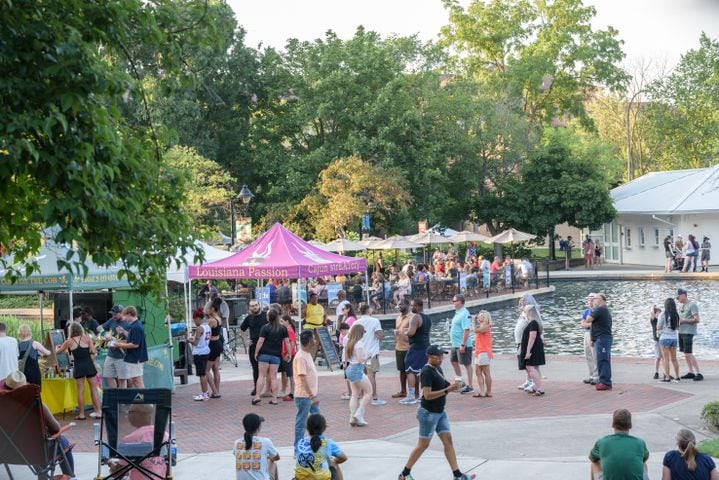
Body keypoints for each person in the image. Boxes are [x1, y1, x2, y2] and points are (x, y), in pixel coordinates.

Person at [397, 345, 476, 480]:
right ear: (429, 357)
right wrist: (448, 390)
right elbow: (427, 395)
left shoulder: (437, 369)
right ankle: (404, 474)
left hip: (440, 412)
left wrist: (458, 387)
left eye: (442, 356)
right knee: (423, 445)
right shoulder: (426, 371)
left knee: (448, 442)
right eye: (438, 357)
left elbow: (446, 385)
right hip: (428, 413)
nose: (441, 359)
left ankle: (457, 475)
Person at [2, 371, 77, 479]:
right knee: (60, 441)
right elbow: (55, 429)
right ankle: (71, 477)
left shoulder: (2, 405)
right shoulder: (35, 403)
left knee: (38, 444)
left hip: (7, 451)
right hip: (35, 451)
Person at [55, 322, 102, 419]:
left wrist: (57, 348)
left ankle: (81, 414)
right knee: (93, 389)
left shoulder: (69, 341)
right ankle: (98, 412)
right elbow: (93, 351)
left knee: (80, 391)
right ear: (81, 329)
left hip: (78, 366)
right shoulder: (87, 338)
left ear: (71, 330)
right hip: (89, 365)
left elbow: (58, 352)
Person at [110, 403, 169, 480]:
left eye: (130, 412)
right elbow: (168, 465)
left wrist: (111, 464)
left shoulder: (130, 440)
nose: (128, 416)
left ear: (140, 414)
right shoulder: (165, 435)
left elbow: (119, 473)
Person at [589, 409, 649, 480]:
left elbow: (592, 458)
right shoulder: (640, 443)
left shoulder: (602, 442)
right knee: (643, 463)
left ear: (613, 424)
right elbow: (645, 458)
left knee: (594, 464)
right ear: (630, 425)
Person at [252, 309, 290, 406]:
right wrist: (289, 353)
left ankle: (257, 396)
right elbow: (287, 342)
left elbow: (260, 342)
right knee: (273, 378)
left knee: (261, 376)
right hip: (276, 356)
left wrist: (256, 352)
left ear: (269, 317)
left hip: (264, 354)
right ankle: (274, 399)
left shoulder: (265, 328)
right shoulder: (282, 328)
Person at [295, 413, 347, 480]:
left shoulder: (300, 443)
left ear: (307, 427)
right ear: (325, 427)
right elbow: (344, 458)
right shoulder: (328, 443)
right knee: (334, 463)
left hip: (301, 478)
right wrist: (333, 461)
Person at [400, 299, 430, 405]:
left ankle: (411, 395)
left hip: (416, 347)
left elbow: (411, 333)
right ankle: (423, 394)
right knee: (422, 370)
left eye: (412, 305)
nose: (411, 307)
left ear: (417, 306)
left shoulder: (415, 317)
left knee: (410, 369)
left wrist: (405, 331)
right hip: (426, 346)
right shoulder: (427, 318)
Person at [293, 330, 320, 450]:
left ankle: (316, 443)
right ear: (309, 342)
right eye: (313, 339)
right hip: (304, 396)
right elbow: (302, 378)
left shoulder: (307, 354)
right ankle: (298, 449)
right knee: (301, 424)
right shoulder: (301, 357)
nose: (315, 341)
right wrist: (311, 396)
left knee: (318, 419)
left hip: (310, 395)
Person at [354, 303, 386, 405]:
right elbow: (379, 336)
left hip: (359, 353)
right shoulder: (375, 321)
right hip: (371, 353)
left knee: (361, 375)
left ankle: (363, 395)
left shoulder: (356, 322)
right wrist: (381, 334)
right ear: (368, 311)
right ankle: (374, 397)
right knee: (371, 375)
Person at [581, 293, 613, 391]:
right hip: (601, 338)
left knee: (603, 360)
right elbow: (588, 324)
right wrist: (593, 338)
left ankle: (605, 382)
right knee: (602, 360)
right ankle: (604, 381)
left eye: (596, 298)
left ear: (602, 300)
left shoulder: (601, 309)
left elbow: (588, 319)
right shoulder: (603, 310)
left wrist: (591, 313)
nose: (594, 300)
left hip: (603, 338)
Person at [234, 413, 280, 480]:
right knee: (273, 463)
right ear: (259, 427)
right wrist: (267, 458)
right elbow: (276, 457)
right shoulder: (265, 442)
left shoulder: (237, 443)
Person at [343, 324, 372, 426]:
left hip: (350, 368)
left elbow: (346, 356)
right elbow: (361, 359)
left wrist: (345, 365)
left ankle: (352, 417)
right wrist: (368, 355)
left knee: (355, 394)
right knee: (369, 392)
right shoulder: (359, 344)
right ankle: (359, 414)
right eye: (363, 333)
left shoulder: (349, 342)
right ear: (360, 333)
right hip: (357, 369)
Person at [113, 306, 148, 388]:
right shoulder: (135, 325)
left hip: (136, 358)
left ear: (129, 314)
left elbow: (135, 344)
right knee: (136, 380)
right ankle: (143, 398)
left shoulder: (136, 327)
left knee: (137, 380)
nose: (125, 318)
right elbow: (131, 341)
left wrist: (119, 344)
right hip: (135, 357)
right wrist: (119, 342)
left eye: (125, 316)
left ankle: (144, 399)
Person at [240, 301, 268, 396]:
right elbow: (242, 330)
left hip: (266, 346)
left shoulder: (266, 316)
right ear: (249, 308)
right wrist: (246, 340)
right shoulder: (249, 318)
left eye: (256, 305)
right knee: (255, 369)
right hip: (253, 346)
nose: (254, 307)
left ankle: (269, 389)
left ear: (259, 305)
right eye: (252, 306)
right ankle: (257, 388)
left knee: (268, 369)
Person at [448, 295, 474, 394]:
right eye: (453, 301)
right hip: (455, 344)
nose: (453, 303)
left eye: (455, 301)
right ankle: (460, 383)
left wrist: (463, 344)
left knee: (467, 364)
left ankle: (470, 386)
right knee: (453, 361)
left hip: (462, 344)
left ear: (461, 302)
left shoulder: (464, 313)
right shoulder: (457, 313)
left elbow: (466, 330)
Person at [677, 288, 703, 381]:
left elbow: (697, 319)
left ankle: (698, 373)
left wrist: (683, 321)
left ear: (683, 295)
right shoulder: (681, 306)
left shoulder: (692, 305)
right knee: (685, 353)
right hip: (681, 331)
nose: (677, 298)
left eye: (678, 296)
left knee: (688, 353)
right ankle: (690, 372)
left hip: (688, 331)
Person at [519, 304, 546, 396]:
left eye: (525, 312)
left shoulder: (533, 323)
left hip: (533, 349)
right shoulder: (535, 322)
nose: (524, 314)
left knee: (530, 367)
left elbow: (532, 337)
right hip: (536, 348)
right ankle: (537, 386)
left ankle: (539, 387)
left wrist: (527, 351)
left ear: (529, 312)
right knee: (535, 367)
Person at [101, 304, 130, 388]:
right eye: (112, 314)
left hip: (122, 356)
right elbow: (100, 328)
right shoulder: (112, 320)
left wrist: (117, 340)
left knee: (122, 379)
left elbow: (131, 340)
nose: (113, 316)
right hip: (110, 355)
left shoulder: (127, 324)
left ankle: (122, 399)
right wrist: (105, 334)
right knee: (108, 376)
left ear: (121, 313)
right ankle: (115, 396)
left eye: (115, 314)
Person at [17, 324, 50, 389]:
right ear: (29, 332)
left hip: (22, 375)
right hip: (34, 374)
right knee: (35, 395)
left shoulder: (17, 345)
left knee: (24, 394)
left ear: (19, 333)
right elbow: (48, 353)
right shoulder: (35, 343)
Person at [189, 309, 212, 401]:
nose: (194, 322)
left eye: (194, 320)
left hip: (199, 353)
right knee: (204, 373)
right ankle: (205, 392)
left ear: (198, 318)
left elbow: (195, 343)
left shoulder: (199, 328)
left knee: (202, 374)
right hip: (206, 350)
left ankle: (205, 393)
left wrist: (188, 340)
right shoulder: (208, 327)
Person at [657, 298, 681, 383]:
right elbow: (678, 327)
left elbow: (658, 327)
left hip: (664, 338)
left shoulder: (662, 314)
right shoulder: (676, 315)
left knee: (666, 359)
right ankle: (677, 377)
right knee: (674, 359)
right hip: (674, 338)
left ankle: (667, 377)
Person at [392, 299, 412, 399]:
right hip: (399, 347)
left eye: (401, 304)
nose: (399, 306)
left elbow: (414, 332)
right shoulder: (398, 318)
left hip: (409, 348)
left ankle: (414, 392)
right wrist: (395, 333)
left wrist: (406, 333)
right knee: (402, 370)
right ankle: (403, 391)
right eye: (398, 305)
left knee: (412, 371)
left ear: (407, 305)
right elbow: (398, 330)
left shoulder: (412, 317)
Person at [471, 310, 493, 398]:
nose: (478, 317)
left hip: (483, 352)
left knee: (486, 372)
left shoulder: (485, 326)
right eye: (478, 316)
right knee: (478, 371)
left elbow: (475, 330)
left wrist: (472, 321)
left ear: (485, 318)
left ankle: (489, 391)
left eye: (480, 316)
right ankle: (482, 391)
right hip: (478, 352)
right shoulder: (482, 325)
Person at [206, 303, 224, 399]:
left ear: (213, 309)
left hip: (212, 345)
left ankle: (215, 392)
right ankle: (216, 391)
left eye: (209, 308)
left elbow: (204, 331)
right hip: (218, 343)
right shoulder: (219, 318)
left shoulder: (212, 320)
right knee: (215, 368)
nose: (207, 310)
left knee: (206, 370)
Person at [582, 293, 598, 385]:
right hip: (586, 333)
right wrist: (591, 324)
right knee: (588, 355)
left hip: (594, 334)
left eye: (592, 300)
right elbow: (582, 324)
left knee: (594, 355)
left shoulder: (596, 311)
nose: (590, 302)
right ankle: (591, 375)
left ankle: (596, 376)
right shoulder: (586, 311)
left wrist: (588, 324)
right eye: (589, 300)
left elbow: (596, 324)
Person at [650, 305, 663, 380]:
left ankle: (666, 372)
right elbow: (652, 313)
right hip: (657, 340)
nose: (659, 314)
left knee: (665, 357)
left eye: (660, 313)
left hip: (663, 339)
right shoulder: (654, 320)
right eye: (658, 313)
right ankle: (656, 372)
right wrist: (652, 308)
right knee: (658, 357)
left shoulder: (662, 320)